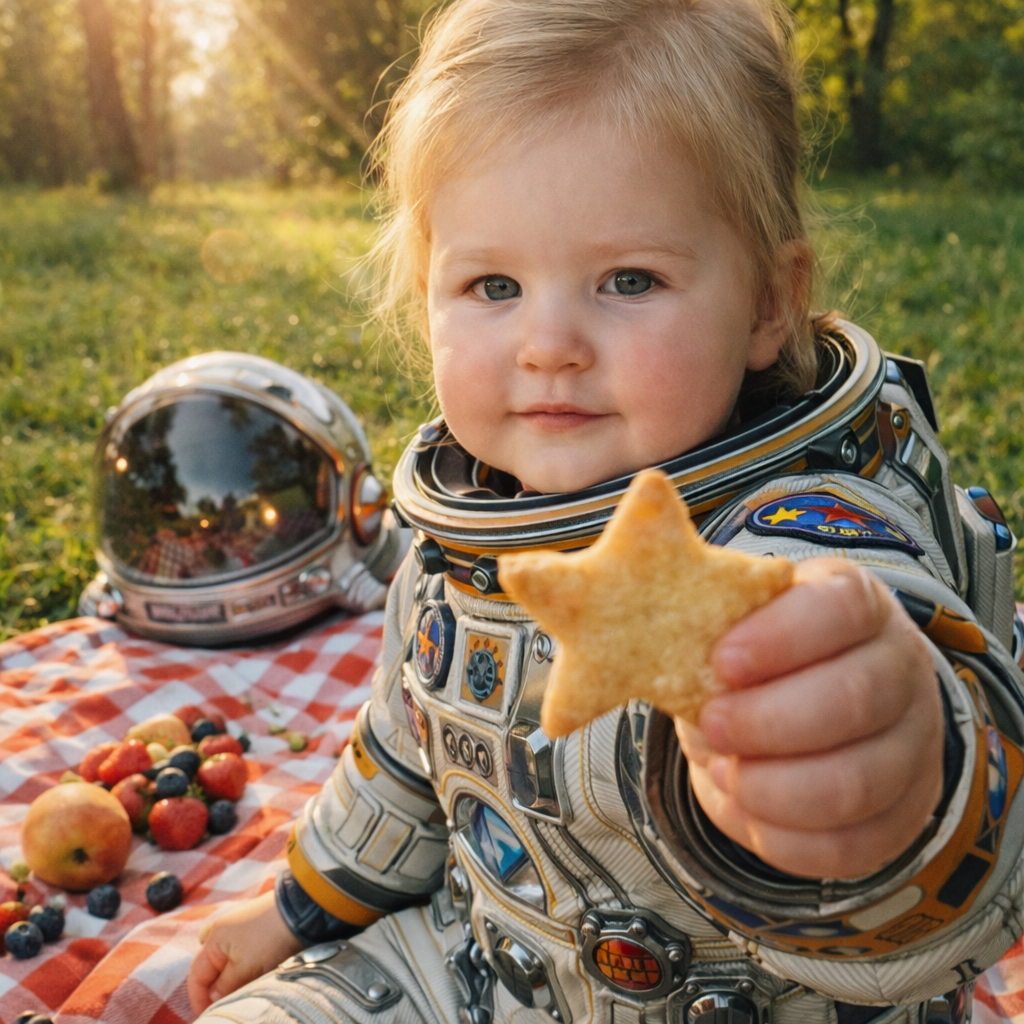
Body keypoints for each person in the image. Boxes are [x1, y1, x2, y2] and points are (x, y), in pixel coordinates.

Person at [188, 1, 1024, 1022]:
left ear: (767, 302)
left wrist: (893, 783)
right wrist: (298, 909)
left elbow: (884, 630)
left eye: (628, 279)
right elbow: (405, 745)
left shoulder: (805, 538)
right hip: (481, 958)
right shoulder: (467, 530)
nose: (549, 343)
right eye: (492, 283)